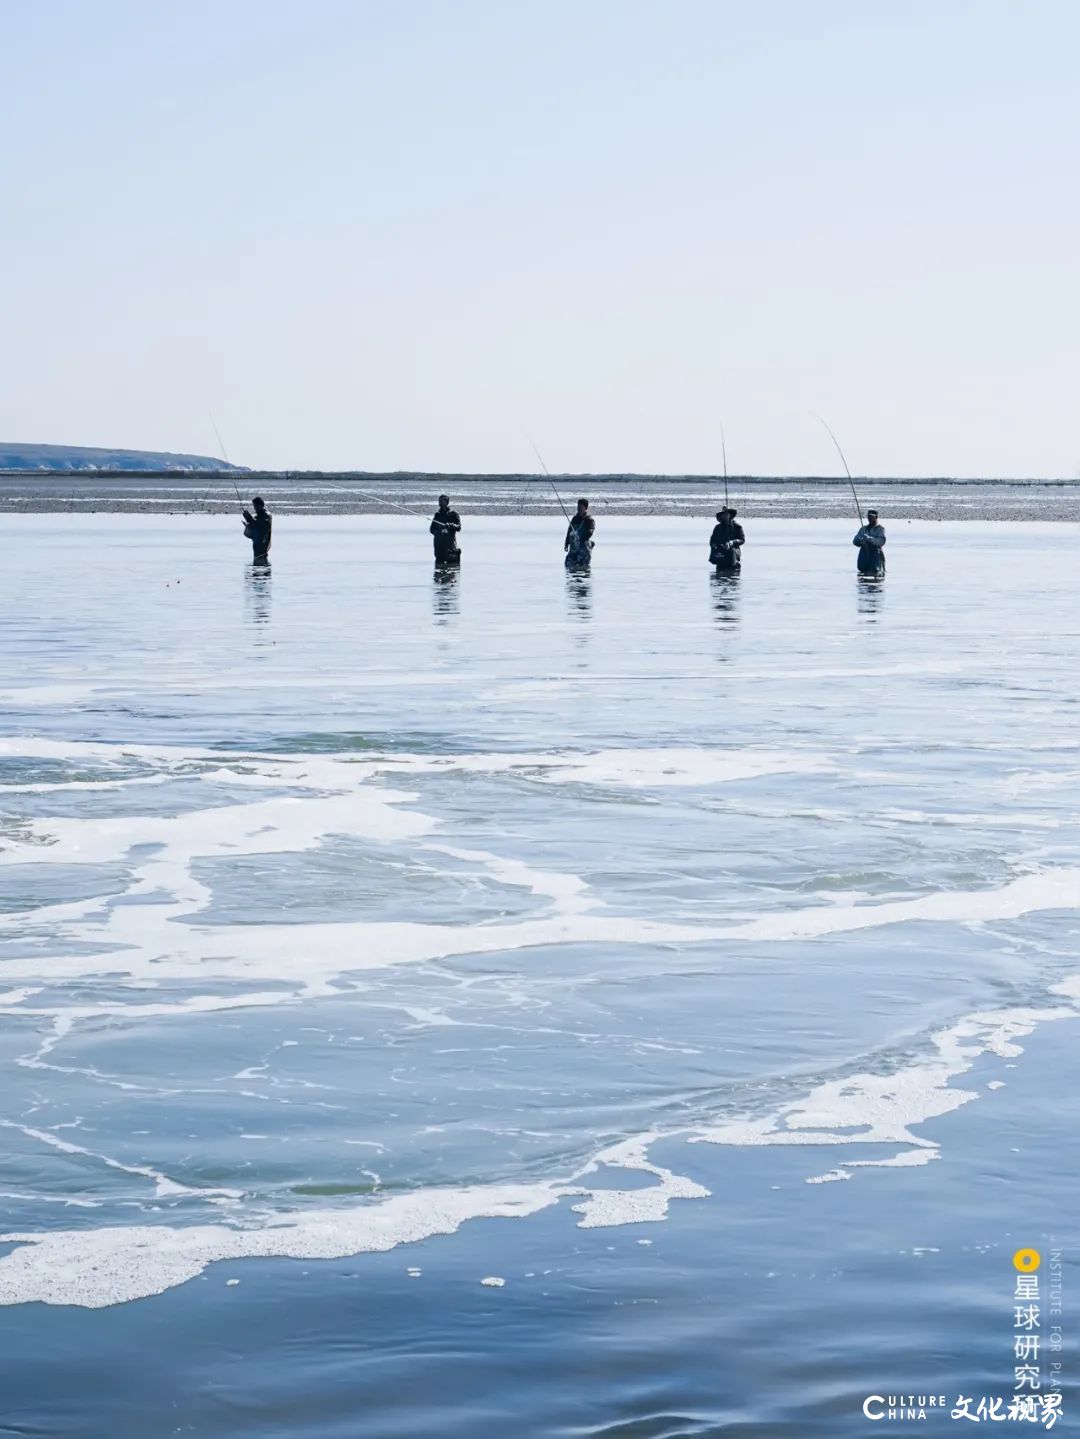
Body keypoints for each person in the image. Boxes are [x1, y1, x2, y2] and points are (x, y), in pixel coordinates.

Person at [709, 507, 745, 572]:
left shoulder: (737, 527)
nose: (724, 516)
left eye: (726, 514)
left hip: (734, 554)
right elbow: (712, 541)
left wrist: (732, 542)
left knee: (733, 573)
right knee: (719, 576)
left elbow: (742, 539)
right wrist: (715, 546)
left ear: (730, 515)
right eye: (723, 515)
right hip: (720, 555)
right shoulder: (717, 528)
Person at [853, 509, 886, 576]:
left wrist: (869, 539)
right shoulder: (863, 529)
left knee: (875, 572)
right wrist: (861, 540)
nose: (870, 518)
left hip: (875, 555)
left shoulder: (880, 529)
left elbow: (880, 542)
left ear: (876, 518)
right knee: (862, 571)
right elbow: (855, 541)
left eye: (871, 517)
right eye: (868, 517)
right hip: (863, 555)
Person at [430, 495, 461, 565]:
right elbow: (432, 529)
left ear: (447, 502)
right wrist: (438, 532)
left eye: (442, 501)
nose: (439, 503)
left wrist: (450, 525)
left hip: (450, 547)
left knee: (452, 570)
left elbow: (459, 527)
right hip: (439, 548)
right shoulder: (437, 515)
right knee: (438, 572)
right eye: (439, 501)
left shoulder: (453, 514)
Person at [565, 498, 595, 567]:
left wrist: (581, 538)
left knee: (582, 567)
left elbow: (590, 532)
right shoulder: (575, 519)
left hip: (584, 550)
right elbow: (569, 531)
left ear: (585, 508)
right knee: (568, 565)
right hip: (573, 549)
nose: (578, 509)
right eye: (578, 507)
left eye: (580, 507)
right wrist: (566, 543)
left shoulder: (589, 520)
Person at [242, 496, 272, 565]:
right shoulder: (258, 517)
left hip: (262, 555)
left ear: (260, 506)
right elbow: (254, 527)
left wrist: (249, 518)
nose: (255, 509)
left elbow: (260, 525)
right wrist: (248, 523)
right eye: (254, 507)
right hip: (256, 556)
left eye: (255, 506)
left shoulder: (267, 516)